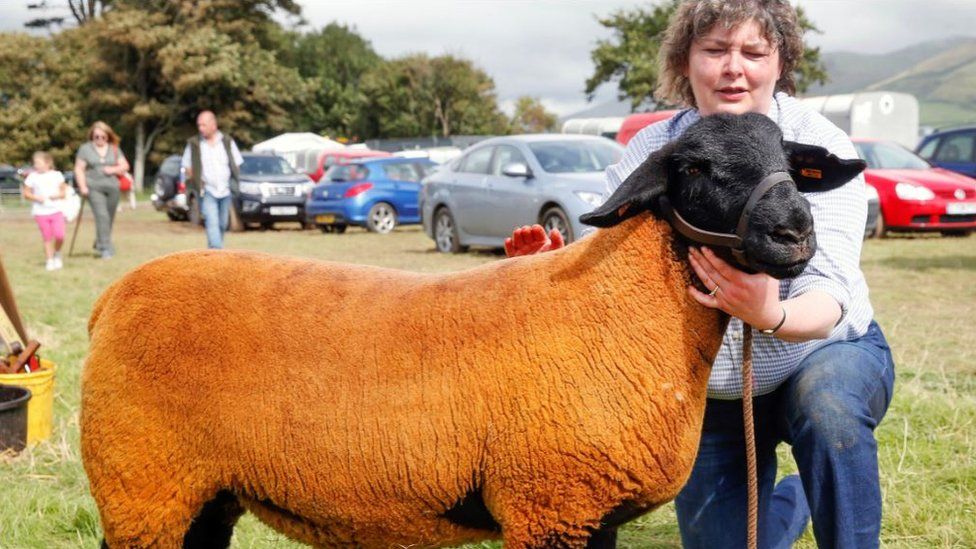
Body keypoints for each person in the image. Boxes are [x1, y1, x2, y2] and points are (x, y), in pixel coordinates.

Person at [506, 1, 895, 548]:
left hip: (820, 351)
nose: (733, 67)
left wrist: (771, 313)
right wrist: (551, 266)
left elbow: (828, 293)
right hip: (714, 389)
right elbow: (609, 252)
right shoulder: (655, 148)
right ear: (685, 63)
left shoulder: (820, 142)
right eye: (714, 50)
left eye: (754, 52)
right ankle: (794, 500)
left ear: (780, 63)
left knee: (826, 408)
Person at [181, 111, 243, 249]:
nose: (200, 128)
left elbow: (237, 163)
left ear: (213, 125)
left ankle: (212, 255)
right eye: (199, 125)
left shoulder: (227, 141)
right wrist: (196, 180)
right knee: (212, 222)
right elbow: (186, 165)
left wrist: (234, 182)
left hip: (225, 190)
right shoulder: (194, 144)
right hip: (207, 190)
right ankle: (217, 253)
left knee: (222, 224)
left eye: (203, 125)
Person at [75, 121, 129, 259]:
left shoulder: (114, 148)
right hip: (93, 186)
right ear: (92, 136)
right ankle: (105, 248)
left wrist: (113, 169)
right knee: (102, 216)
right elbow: (79, 169)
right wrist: (83, 187)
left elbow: (125, 166)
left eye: (102, 136)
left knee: (109, 218)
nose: (99, 139)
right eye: (96, 136)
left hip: (112, 187)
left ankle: (100, 241)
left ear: (107, 136)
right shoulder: (85, 149)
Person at [22, 151, 69, 271]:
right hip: (40, 212)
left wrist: (57, 195)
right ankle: (49, 260)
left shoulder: (57, 175)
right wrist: (36, 198)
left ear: (48, 163)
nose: (35, 165)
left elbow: (64, 192)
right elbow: (26, 193)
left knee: (60, 235)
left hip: (56, 210)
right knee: (47, 237)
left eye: (38, 163)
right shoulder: (32, 177)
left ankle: (57, 253)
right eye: (35, 163)